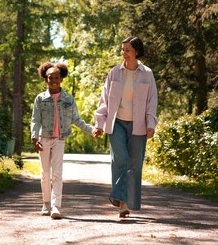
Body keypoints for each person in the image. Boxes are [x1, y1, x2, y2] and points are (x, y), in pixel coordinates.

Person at [93, 36, 158, 218]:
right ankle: (122, 202)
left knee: (134, 164)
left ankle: (124, 201)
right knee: (120, 159)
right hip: (117, 123)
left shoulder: (147, 74)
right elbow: (104, 99)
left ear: (137, 52)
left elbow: (152, 102)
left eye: (128, 50)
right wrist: (100, 124)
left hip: (139, 125)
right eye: (123, 50)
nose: (124, 53)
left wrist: (151, 124)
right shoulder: (115, 73)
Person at [31, 61, 95, 219]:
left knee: (57, 174)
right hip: (44, 138)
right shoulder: (40, 99)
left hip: (60, 139)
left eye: (56, 78)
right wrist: (34, 136)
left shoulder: (68, 98)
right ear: (45, 79)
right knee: (45, 173)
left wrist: (91, 129)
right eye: (50, 78)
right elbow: (35, 120)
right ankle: (46, 203)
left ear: (61, 79)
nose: (53, 81)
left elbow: (77, 120)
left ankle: (55, 206)